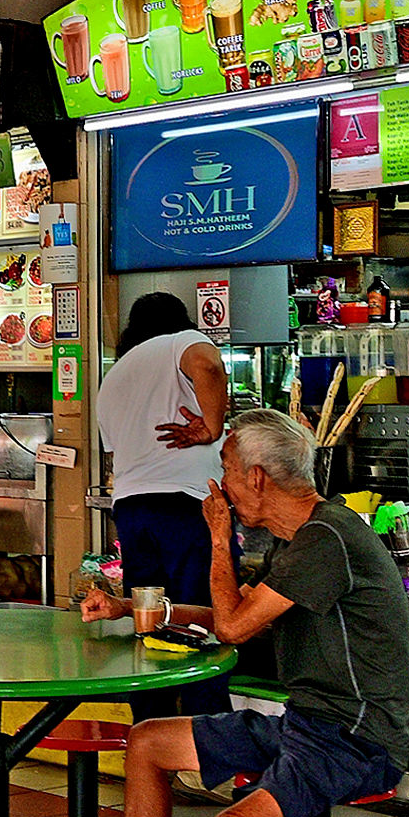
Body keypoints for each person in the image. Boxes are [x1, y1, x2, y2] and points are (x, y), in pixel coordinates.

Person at [91, 409, 409, 817]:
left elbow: (232, 628)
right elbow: (232, 612)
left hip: (355, 739)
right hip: (304, 723)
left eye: (226, 469)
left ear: (257, 478)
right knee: (147, 742)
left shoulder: (326, 538)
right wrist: (130, 608)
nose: (222, 484)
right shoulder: (297, 538)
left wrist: (220, 538)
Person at [96, 292, 231, 718]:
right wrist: (213, 426)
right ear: (182, 320)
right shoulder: (180, 341)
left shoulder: (114, 376)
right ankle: (207, 736)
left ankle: (151, 728)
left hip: (133, 510)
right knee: (202, 617)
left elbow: (118, 452)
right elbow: (208, 366)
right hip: (185, 505)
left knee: (148, 618)